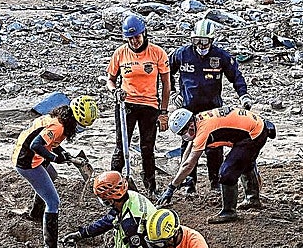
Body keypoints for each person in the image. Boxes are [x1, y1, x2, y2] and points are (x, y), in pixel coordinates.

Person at [169, 19, 253, 194]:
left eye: (204, 41)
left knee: (214, 148)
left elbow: (236, 76)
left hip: (213, 111)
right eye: (197, 40)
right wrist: (172, 92)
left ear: (212, 40)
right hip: (188, 110)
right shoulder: (182, 54)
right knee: (188, 145)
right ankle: (189, 183)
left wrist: (243, 95)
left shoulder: (220, 56)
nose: (200, 45)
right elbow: (165, 70)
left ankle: (215, 182)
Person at [158, 107, 274, 223]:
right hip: (255, 127)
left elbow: (189, 164)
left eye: (183, 133)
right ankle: (252, 199)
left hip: (254, 134)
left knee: (227, 173)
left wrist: (171, 187)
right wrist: (179, 175)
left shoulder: (203, 130)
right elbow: (188, 153)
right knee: (244, 162)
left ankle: (229, 212)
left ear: (190, 126)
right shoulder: (198, 120)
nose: (184, 136)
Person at [13, 96, 99, 248]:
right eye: (80, 125)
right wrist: (55, 158)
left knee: (52, 176)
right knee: (53, 202)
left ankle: (35, 214)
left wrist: (65, 154)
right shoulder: (57, 126)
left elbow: (52, 143)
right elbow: (36, 144)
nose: (79, 129)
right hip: (26, 161)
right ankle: (50, 247)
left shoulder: (62, 118)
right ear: (75, 119)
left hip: (31, 155)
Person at [106, 14, 171, 197]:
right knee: (121, 147)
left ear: (144, 33)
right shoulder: (120, 53)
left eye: (137, 37)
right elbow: (110, 80)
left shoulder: (157, 53)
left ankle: (151, 188)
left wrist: (163, 112)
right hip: (126, 105)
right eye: (130, 38)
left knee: (147, 148)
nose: (134, 41)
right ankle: (112, 185)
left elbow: (166, 85)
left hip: (150, 106)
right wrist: (114, 91)